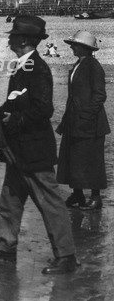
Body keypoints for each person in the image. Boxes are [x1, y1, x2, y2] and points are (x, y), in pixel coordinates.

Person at [0, 15, 78, 275]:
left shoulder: (38, 68)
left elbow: (44, 109)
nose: (9, 38)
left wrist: (15, 118)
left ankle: (66, 256)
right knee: (10, 201)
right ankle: (5, 249)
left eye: (13, 35)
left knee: (51, 203)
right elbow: (12, 104)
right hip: (17, 150)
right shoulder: (22, 66)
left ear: (23, 40)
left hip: (34, 150)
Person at [57, 30, 110, 210]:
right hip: (75, 120)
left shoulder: (93, 65)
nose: (72, 47)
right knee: (73, 157)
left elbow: (99, 95)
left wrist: (86, 116)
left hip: (91, 123)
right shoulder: (79, 64)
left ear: (84, 48)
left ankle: (96, 198)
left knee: (92, 159)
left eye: (75, 45)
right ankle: (78, 194)